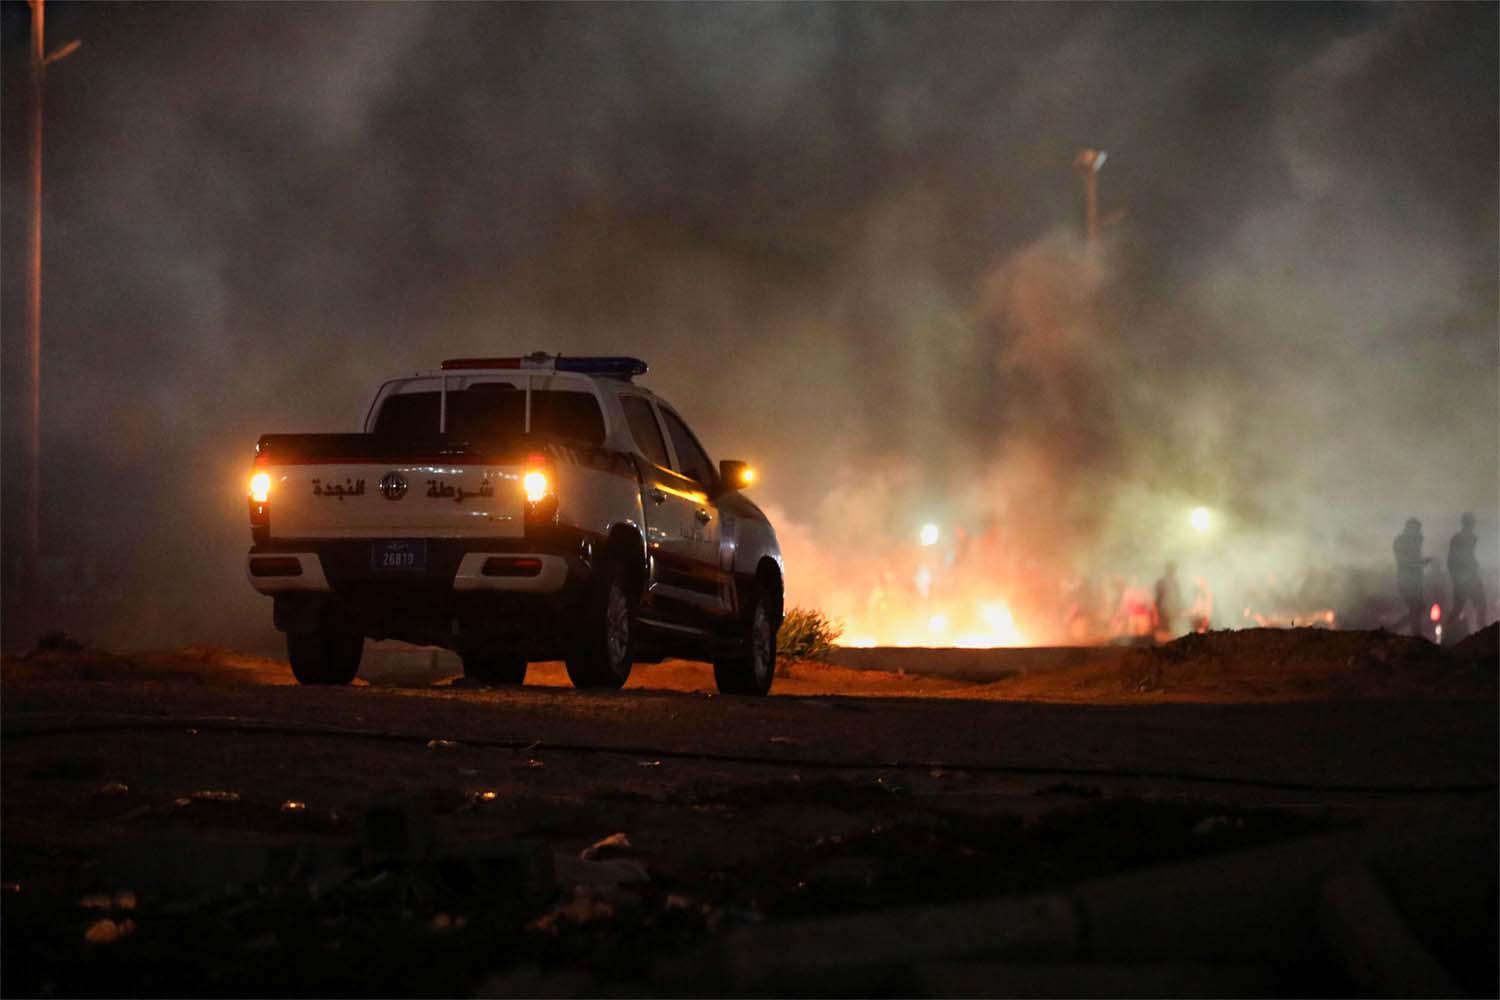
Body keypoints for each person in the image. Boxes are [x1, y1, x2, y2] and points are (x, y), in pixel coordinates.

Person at [1444, 512, 1487, 639]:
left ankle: (1482, 632)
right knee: (1463, 607)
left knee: (1478, 604)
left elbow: (1467, 557)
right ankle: (1448, 634)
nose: (1472, 525)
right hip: (1464, 579)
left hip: (1470, 577)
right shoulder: (1459, 538)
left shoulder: (1472, 538)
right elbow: (1452, 560)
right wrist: (1456, 579)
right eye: (1471, 523)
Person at [1392, 517, 1431, 638]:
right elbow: (1404, 561)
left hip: (1415, 581)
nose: (1419, 532)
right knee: (1416, 608)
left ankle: (1395, 629)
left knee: (1419, 608)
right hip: (1406, 580)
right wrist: (1419, 563)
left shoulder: (1415, 541)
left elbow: (1414, 559)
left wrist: (1422, 561)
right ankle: (1416, 636)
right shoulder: (1400, 541)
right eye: (1417, 529)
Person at [1153, 562, 1182, 640]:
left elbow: (1178, 597)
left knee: (1170, 630)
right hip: (1163, 611)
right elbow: (1157, 597)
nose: (1173, 572)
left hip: (1171, 611)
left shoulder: (1175, 583)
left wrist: (1178, 610)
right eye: (1172, 570)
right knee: (1164, 630)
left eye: (1173, 570)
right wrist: (1156, 611)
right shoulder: (1162, 582)